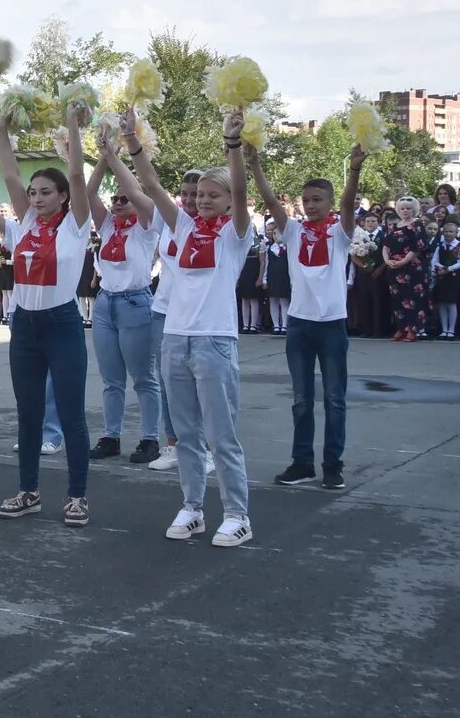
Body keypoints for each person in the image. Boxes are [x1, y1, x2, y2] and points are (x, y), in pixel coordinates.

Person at [126, 106, 255, 547]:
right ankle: (193, 507)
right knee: (184, 433)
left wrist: (232, 145)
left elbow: (240, 188)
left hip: (214, 340)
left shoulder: (235, 233)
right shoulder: (181, 224)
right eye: (200, 193)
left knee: (222, 435)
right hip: (176, 339)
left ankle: (238, 513)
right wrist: (132, 142)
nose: (203, 200)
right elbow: (152, 184)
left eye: (213, 195)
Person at [0, 101, 93, 527]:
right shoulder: (23, 224)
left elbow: (81, 175)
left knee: (70, 414)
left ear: (64, 196)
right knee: (28, 412)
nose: (36, 197)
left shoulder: (75, 226)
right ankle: (28, 491)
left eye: (46, 191)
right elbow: (10, 174)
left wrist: (70, 125)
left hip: (62, 324)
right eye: (33, 192)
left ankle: (77, 496)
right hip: (24, 326)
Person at [246, 145, 364, 491]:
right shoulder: (294, 231)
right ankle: (302, 463)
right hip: (299, 324)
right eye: (306, 200)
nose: (311, 205)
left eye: (317, 199)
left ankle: (332, 465)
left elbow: (347, 205)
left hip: (331, 325)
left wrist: (354, 171)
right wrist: (254, 164)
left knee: (334, 399)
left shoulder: (339, 234)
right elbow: (269, 201)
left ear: (328, 203)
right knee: (301, 400)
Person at [85, 150, 163, 466]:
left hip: (136, 302)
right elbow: (88, 192)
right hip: (105, 304)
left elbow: (136, 191)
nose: (118, 203)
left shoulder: (146, 226)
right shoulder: (106, 225)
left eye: (123, 199)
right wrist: (104, 156)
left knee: (143, 377)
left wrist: (119, 163)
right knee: (111, 379)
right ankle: (111, 436)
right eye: (114, 199)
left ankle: (149, 438)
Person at [383, 197, 430, 342]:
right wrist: (387, 260)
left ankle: (412, 329)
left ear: (413, 210)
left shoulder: (417, 225)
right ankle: (400, 328)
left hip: (412, 267)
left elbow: (418, 247)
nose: (405, 211)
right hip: (394, 267)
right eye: (402, 208)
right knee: (397, 298)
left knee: (412, 298)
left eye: (408, 208)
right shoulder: (393, 226)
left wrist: (403, 261)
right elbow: (385, 246)